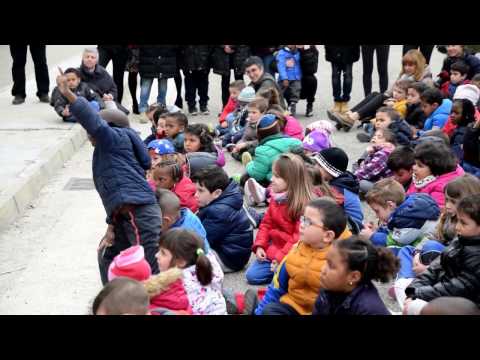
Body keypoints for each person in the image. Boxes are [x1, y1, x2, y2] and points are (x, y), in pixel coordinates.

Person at [55, 68, 161, 285]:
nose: (89, 134)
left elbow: (92, 120)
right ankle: (112, 301)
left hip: (139, 215)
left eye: (92, 130)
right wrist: (111, 225)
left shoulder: (114, 138)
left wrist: (68, 94)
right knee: (108, 255)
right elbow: (117, 194)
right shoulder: (111, 151)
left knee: (149, 274)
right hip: (124, 216)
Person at [393, 174, 480, 306]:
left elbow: (456, 278)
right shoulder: (447, 216)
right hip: (437, 263)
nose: (448, 205)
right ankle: (406, 280)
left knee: (432, 246)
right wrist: (417, 253)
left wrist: (426, 270)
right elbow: (432, 235)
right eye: (446, 200)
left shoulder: (471, 242)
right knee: (407, 250)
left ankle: (409, 288)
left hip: (443, 265)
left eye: (453, 202)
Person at [254, 198, 347, 315]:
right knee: (270, 310)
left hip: (320, 311)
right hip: (293, 306)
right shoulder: (294, 250)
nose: (301, 225)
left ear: (328, 236)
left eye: (308, 222)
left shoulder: (338, 261)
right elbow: (277, 288)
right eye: (302, 219)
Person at [246, 153, 314, 285]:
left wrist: (280, 258)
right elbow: (266, 224)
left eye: (277, 176)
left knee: (265, 276)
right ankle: (281, 275)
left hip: (293, 253)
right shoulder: (276, 198)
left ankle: (285, 274)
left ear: (291, 180)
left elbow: (298, 238)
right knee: (252, 275)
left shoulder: (303, 205)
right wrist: (260, 245)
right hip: (275, 248)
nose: (271, 179)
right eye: (273, 174)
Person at [332, 49, 433, 131]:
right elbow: (391, 90)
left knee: (381, 97)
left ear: (418, 64)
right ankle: (348, 117)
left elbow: (420, 101)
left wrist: (394, 101)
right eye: (405, 65)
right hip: (397, 101)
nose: (407, 68)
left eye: (410, 65)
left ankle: (350, 118)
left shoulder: (425, 79)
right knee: (376, 94)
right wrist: (388, 97)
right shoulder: (406, 75)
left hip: (405, 108)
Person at [313, 236, 399, 315]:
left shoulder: (368, 309)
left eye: (331, 266)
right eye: (326, 262)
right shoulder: (329, 288)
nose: (323, 269)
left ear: (354, 277)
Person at [192, 166, 253, 273]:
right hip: (229, 251)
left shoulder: (219, 211)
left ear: (217, 193)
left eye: (200, 191)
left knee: (185, 261)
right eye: (196, 190)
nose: (196, 195)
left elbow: (203, 240)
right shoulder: (224, 199)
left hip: (228, 259)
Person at [155, 228, 228, 315]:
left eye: (163, 253)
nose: (156, 255)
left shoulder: (178, 285)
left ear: (181, 262)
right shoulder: (206, 268)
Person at [243, 114, 302, 186]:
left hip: (277, 184)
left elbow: (258, 175)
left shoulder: (262, 151)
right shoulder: (296, 142)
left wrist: (249, 164)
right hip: (298, 180)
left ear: (259, 133)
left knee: (246, 177)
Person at [313, 148, 364, 228]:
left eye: (320, 166)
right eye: (315, 164)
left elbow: (322, 208)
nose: (315, 167)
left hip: (351, 228)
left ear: (330, 170)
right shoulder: (341, 181)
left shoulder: (337, 189)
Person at [407, 141, 464, 208]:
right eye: (415, 163)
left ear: (435, 168)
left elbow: (431, 213)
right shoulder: (422, 176)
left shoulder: (442, 189)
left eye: (420, 166)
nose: (414, 167)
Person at [79, 47, 128, 114]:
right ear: (83, 59)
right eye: (87, 57)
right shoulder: (77, 73)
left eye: (92, 57)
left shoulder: (103, 72)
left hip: (121, 48)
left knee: (118, 79)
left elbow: (113, 88)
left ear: (96, 60)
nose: (89, 59)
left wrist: (111, 96)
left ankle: (116, 106)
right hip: (90, 104)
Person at [138, 45, 179, 113]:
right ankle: (146, 108)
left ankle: (150, 108)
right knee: (147, 84)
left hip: (155, 58)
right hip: (151, 58)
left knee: (150, 84)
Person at [354, 128, 396, 195]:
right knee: (356, 164)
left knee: (361, 183)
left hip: (384, 188)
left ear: (388, 142)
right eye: (374, 135)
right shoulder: (378, 150)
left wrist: (350, 178)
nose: (374, 137)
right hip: (375, 178)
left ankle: (363, 191)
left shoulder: (385, 153)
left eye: (379, 137)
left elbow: (367, 171)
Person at [324, 45, 360, 117]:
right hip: (334, 50)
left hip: (349, 51)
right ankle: (337, 101)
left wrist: (355, 51)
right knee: (335, 77)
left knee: (348, 77)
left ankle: (345, 101)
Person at [231, 97, 268, 162]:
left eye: (254, 112)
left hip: (261, 146)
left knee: (254, 150)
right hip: (249, 144)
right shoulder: (249, 122)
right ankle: (242, 156)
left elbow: (262, 141)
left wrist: (246, 144)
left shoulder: (264, 124)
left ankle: (251, 159)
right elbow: (244, 137)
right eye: (249, 112)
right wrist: (239, 145)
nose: (250, 115)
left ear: (263, 113)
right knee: (237, 146)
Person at [180, 45, 212, 115]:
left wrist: (208, 62)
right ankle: (191, 106)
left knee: (203, 87)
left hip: (203, 62)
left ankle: (203, 105)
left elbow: (210, 49)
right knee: (190, 87)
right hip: (188, 63)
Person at [276, 45, 302, 115]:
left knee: (296, 89)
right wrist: (284, 78)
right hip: (284, 78)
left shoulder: (298, 52)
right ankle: (279, 107)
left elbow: (300, 64)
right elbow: (280, 66)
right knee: (279, 92)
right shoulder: (282, 53)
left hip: (296, 77)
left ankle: (292, 106)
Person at [298, 45, 319, 117]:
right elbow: (275, 65)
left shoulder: (312, 49)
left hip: (304, 78)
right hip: (290, 79)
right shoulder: (288, 48)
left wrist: (304, 52)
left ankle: (309, 105)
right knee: (283, 81)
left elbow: (312, 69)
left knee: (312, 80)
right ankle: (289, 106)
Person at [126, 45, 140, 114]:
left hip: (147, 49)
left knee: (146, 77)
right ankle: (134, 101)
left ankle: (142, 103)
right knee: (133, 73)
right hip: (133, 48)